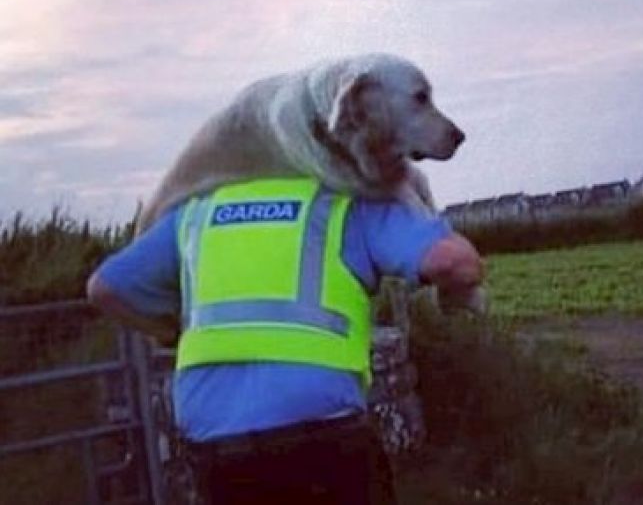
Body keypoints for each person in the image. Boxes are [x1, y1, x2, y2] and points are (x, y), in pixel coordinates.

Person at [87, 177, 484, 504]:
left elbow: (106, 288)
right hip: (323, 442)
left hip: (219, 451)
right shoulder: (344, 205)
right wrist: (423, 211)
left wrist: (166, 330)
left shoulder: (197, 212)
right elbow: (456, 264)